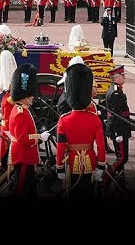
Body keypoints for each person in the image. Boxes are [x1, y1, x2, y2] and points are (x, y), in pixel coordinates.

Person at [55, 62, 104, 196]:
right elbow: (101, 145)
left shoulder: (64, 120)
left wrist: (59, 167)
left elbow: (60, 147)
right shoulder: (94, 118)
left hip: (71, 163)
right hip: (90, 162)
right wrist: (101, 166)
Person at [7, 63, 44, 196]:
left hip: (25, 155)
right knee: (22, 188)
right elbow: (23, 138)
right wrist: (39, 137)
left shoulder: (21, 110)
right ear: (25, 96)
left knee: (28, 188)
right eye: (31, 94)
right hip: (23, 155)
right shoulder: (21, 113)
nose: (33, 97)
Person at [101, 65, 131, 189]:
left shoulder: (116, 90)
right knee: (122, 157)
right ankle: (106, 179)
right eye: (122, 75)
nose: (124, 77)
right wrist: (118, 133)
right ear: (116, 77)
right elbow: (115, 115)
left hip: (122, 126)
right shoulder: (115, 93)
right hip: (119, 129)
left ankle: (120, 181)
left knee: (121, 157)